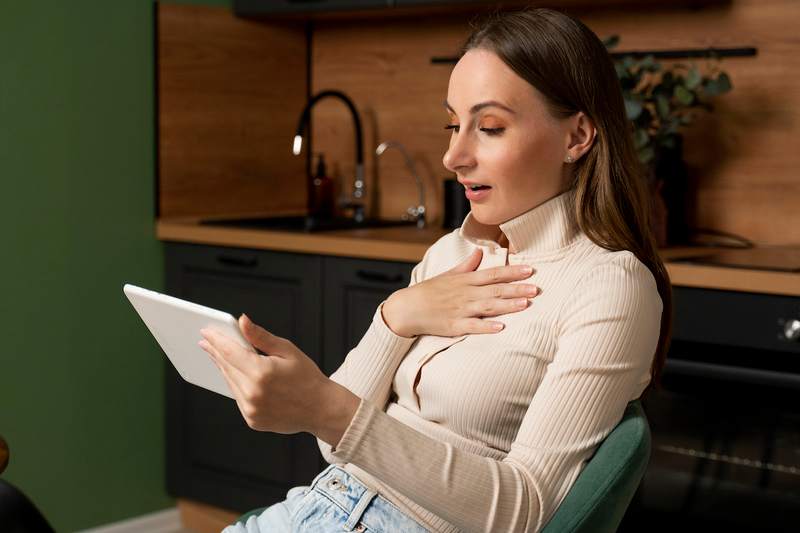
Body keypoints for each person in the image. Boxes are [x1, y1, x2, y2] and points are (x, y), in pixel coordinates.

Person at [202, 7, 671, 532]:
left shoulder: (609, 286)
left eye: (489, 127)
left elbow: (525, 511)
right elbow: (333, 447)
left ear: (577, 136)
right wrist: (395, 316)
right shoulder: (452, 252)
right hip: (316, 506)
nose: (453, 155)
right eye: (454, 124)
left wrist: (326, 407)